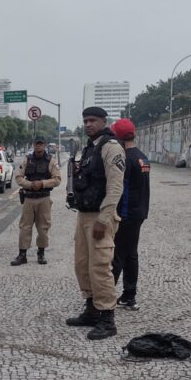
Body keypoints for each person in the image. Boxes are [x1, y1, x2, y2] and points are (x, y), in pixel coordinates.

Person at [65, 107, 126, 340]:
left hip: (100, 217)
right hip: (84, 215)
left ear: (104, 121)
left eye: (92, 120)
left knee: (100, 266)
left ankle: (107, 319)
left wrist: (104, 217)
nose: (88, 124)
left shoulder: (111, 147)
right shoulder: (90, 148)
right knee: (82, 264)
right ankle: (91, 309)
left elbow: (115, 187)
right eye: (85, 121)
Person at [110, 118, 150, 311]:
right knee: (131, 254)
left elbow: (121, 189)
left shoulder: (124, 159)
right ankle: (129, 295)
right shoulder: (143, 157)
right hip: (140, 212)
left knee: (117, 255)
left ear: (118, 138)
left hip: (126, 214)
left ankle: (106, 298)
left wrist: (117, 214)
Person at [11, 136, 62, 265]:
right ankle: (22, 255)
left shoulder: (51, 161)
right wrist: (29, 184)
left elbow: (57, 180)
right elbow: (18, 177)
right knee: (24, 227)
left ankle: (41, 253)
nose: (38, 146)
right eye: (36, 144)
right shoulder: (27, 159)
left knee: (43, 227)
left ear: (45, 145)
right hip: (29, 198)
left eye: (41, 144)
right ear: (33, 145)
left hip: (44, 198)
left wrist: (43, 183)